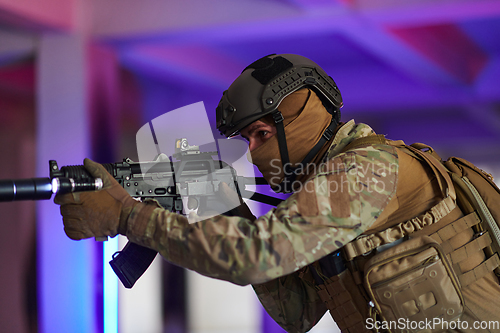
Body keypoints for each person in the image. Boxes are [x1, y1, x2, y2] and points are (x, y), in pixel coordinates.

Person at [56, 54, 500, 332]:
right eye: (245, 138)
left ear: (300, 120)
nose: (251, 152)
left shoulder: (365, 170)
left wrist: (129, 218)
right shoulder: (337, 191)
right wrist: (224, 203)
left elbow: (255, 256)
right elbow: (297, 313)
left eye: (261, 133)